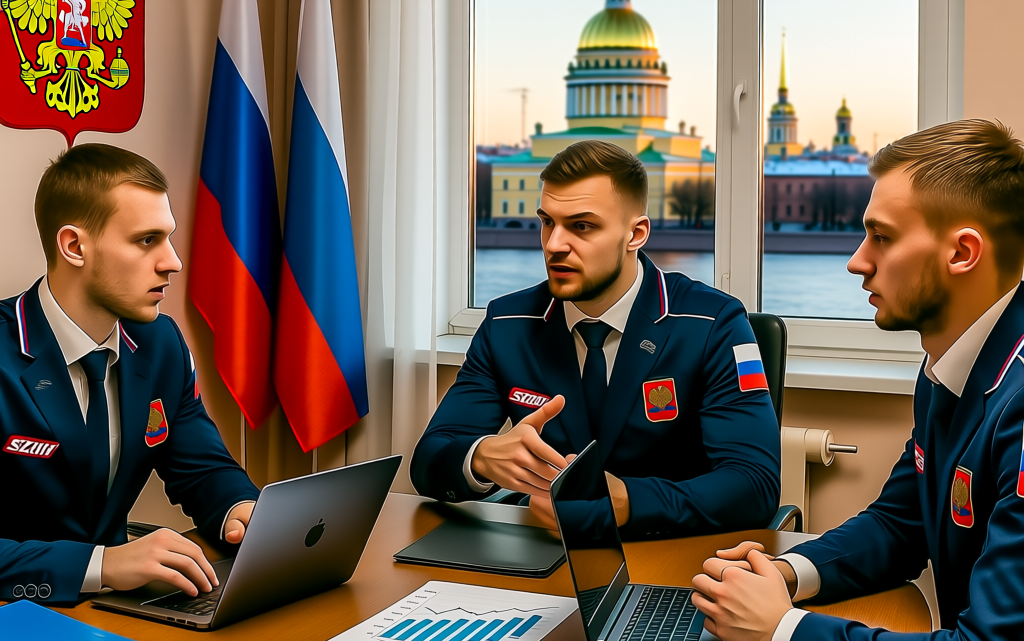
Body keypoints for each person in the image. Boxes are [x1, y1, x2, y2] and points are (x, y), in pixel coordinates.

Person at [692, 119, 1024, 641]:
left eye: (882, 237)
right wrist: (785, 574)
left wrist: (782, 629)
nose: (856, 262)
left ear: (962, 253)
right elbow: (900, 524)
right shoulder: (948, 367)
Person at [410, 140, 780, 539]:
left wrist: (629, 502)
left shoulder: (713, 323)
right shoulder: (507, 322)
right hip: (543, 546)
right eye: (547, 222)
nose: (554, 245)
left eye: (581, 226)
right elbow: (429, 458)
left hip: (666, 550)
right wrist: (480, 458)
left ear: (635, 234)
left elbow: (754, 484)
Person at [0, 144, 259, 604]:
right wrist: (102, 564)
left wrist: (240, 509)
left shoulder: (161, 343)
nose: (172, 261)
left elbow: (200, 467)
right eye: (146, 240)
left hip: (115, 607)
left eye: (168, 238)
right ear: (74, 247)